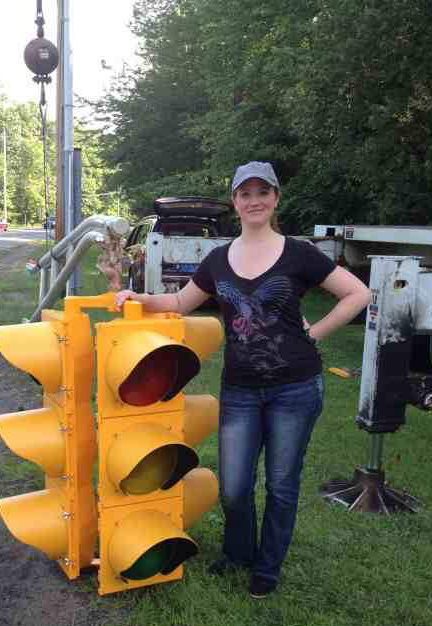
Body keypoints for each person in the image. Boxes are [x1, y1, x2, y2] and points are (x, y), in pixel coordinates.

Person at [115, 161, 371, 598]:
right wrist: (138, 298)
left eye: (262, 192)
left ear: (275, 198)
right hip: (240, 392)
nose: (254, 201)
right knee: (234, 487)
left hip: (296, 389)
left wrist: (314, 333)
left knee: (281, 484)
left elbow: (359, 294)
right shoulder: (218, 259)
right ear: (235, 202)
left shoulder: (299, 252)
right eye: (245, 193)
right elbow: (180, 300)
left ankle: (266, 567)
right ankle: (238, 553)